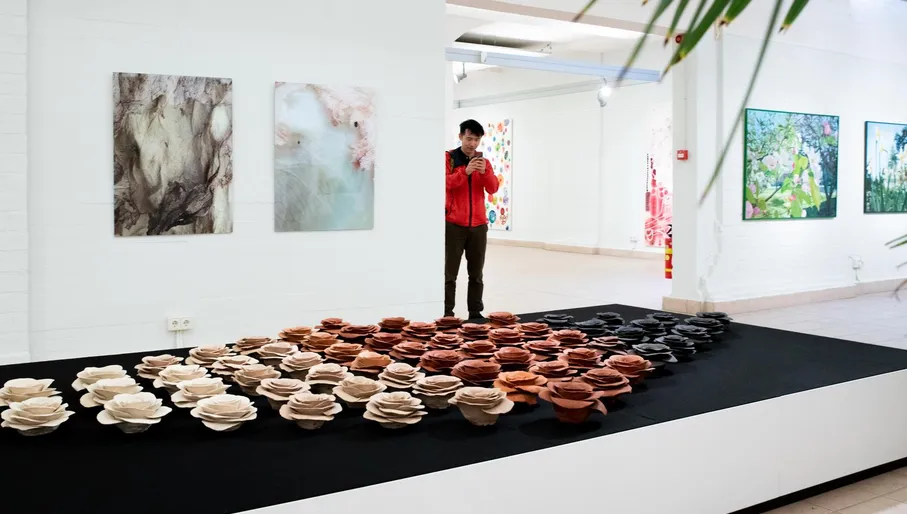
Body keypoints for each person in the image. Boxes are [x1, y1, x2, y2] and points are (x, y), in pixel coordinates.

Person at [445, 119, 499, 320]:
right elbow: (445, 183)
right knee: (449, 275)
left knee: (476, 274)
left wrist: (484, 173)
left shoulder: (484, 162)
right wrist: (464, 172)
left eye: (476, 140)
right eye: (469, 138)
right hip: (453, 225)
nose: (472, 144)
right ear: (460, 137)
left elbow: (493, 188)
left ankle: (475, 313)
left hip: (478, 225)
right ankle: (447, 313)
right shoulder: (449, 158)